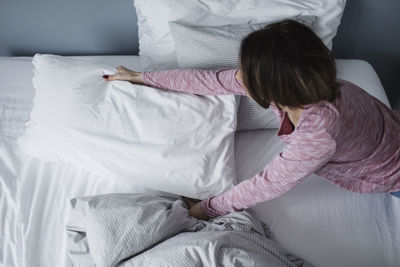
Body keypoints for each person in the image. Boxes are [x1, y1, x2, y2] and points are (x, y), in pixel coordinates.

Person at [103, 20, 400, 220]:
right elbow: (211, 81)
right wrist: (143, 78)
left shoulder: (319, 133)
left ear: (273, 86)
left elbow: (268, 184)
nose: (240, 74)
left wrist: (207, 208)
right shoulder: (300, 82)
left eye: (247, 70)